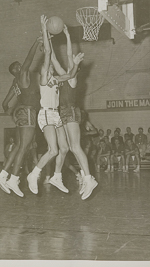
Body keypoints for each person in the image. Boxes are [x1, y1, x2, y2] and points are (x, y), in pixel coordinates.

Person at [27, 15, 85, 196]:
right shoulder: (44, 79)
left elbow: (69, 75)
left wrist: (75, 65)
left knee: (65, 148)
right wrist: (44, 31)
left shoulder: (57, 79)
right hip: (45, 114)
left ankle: (56, 177)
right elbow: (49, 56)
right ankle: (33, 174)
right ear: (43, 71)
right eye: (47, 67)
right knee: (53, 150)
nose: (50, 67)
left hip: (57, 115)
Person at [52, 24, 98, 199]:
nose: (68, 66)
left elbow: (71, 60)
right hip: (62, 114)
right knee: (64, 148)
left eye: (73, 66)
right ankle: (57, 176)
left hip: (71, 112)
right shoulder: (64, 78)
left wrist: (70, 40)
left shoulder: (72, 80)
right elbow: (57, 60)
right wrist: (57, 40)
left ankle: (88, 178)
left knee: (75, 146)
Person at [0, 35, 43, 197]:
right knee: (24, 147)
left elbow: (4, 104)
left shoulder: (15, 83)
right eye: (18, 66)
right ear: (16, 70)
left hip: (22, 113)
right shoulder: (22, 77)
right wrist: (36, 42)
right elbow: (29, 59)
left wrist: (13, 112)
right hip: (28, 112)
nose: (21, 66)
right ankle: (13, 179)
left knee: (18, 146)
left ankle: (3, 175)